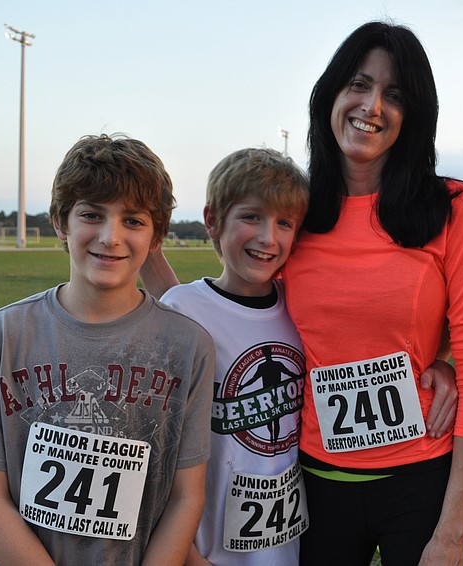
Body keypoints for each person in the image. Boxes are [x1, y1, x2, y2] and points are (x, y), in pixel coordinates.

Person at [0, 134, 214, 566]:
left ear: (157, 236)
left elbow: (185, 497)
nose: (110, 236)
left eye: (133, 221)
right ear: (60, 222)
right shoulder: (1, 337)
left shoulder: (187, 346)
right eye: (91, 214)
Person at [280, 21, 463, 566]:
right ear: (330, 94)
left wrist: (453, 530)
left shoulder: (453, 207)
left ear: (413, 116)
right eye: (358, 83)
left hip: (421, 482)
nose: (372, 105)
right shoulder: (294, 212)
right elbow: (228, 309)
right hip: (312, 483)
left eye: (394, 94)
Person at [159, 147, 310, 565]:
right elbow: (158, 444)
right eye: (251, 217)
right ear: (213, 220)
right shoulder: (182, 310)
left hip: (286, 545)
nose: (268, 238)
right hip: (206, 549)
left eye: (284, 223)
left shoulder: (301, 308)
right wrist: (186, 554)